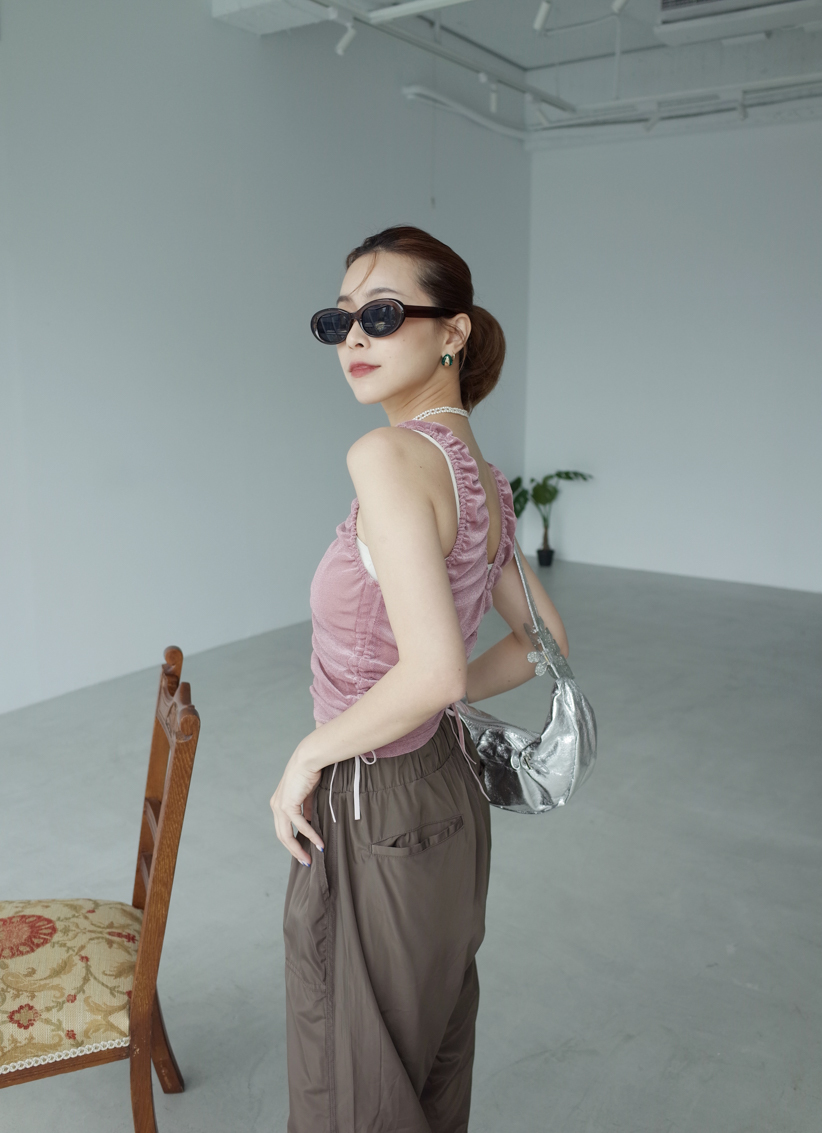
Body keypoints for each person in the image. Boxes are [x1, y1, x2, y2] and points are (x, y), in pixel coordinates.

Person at [269, 225, 570, 1133]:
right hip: (447, 790)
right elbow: (546, 641)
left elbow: (434, 669)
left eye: (383, 314)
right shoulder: (481, 477)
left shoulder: (388, 456)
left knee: (352, 1085)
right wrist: (434, 694)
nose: (353, 338)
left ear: (453, 331)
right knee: (428, 1061)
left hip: (374, 799)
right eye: (339, 321)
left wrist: (307, 756)